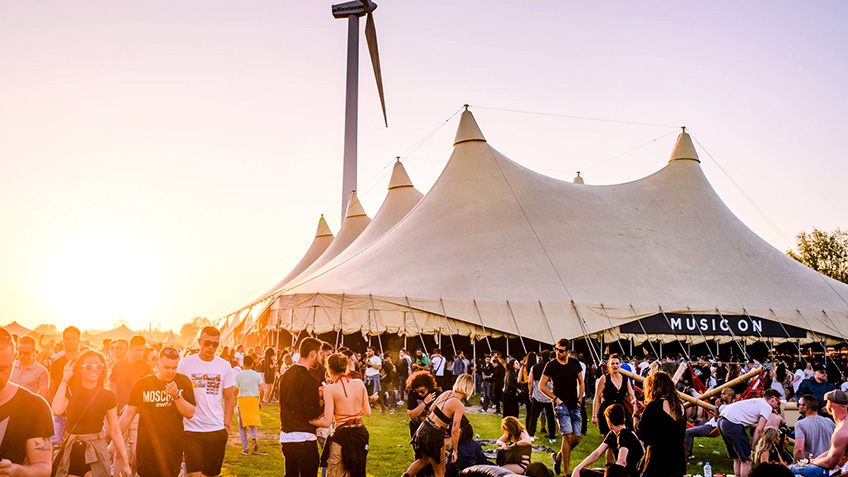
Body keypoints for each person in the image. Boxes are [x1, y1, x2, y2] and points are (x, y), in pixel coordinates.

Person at [118, 346, 196, 477]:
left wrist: (176, 396)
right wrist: (114, 440)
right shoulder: (143, 384)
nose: (171, 371)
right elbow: (128, 415)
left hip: (172, 446)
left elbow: (190, 413)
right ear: (157, 364)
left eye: (174, 367)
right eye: (166, 367)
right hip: (147, 447)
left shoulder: (183, 381)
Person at [51, 350, 131, 477]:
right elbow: (56, 410)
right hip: (73, 450)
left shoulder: (107, 395)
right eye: (89, 366)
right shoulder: (71, 391)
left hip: (96, 449)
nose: (94, 369)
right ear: (80, 369)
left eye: (98, 366)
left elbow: (115, 430)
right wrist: (65, 379)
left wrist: (126, 463)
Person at [178, 326, 236, 477]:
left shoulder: (224, 366)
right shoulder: (185, 364)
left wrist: (227, 425)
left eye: (215, 344)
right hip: (191, 429)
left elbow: (229, 397)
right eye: (207, 343)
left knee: (209, 475)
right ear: (199, 341)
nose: (211, 347)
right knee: (194, 475)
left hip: (215, 429)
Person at [0, 326, 53, 476]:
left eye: (2, 369)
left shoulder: (36, 407)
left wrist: (15, 470)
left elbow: (43, 468)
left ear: (14, 358)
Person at [310, 353, 372, 477]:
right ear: (345, 367)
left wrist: (309, 421)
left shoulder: (330, 389)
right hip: (360, 433)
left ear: (329, 370)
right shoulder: (359, 383)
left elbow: (326, 421)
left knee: (335, 472)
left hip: (342, 435)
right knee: (357, 473)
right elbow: (368, 412)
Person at [404, 374, 474, 477]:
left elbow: (432, 408)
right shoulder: (459, 405)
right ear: (469, 388)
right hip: (435, 434)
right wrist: (455, 450)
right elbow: (455, 431)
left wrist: (443, 414)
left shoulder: (447, 393)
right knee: (440, 472)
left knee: (423, 460)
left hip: (423, 427)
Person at [278, 337, 325, 477]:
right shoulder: (309, 380)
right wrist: (325, 402)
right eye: (320, 353)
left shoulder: (285, 375)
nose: (321, 358)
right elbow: (311, 413)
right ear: (313, 354)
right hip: (304, 438)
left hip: (286, 438)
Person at [108, 334, 154, 477]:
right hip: (118, 413)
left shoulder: (146, 367)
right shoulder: (118, 366)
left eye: (142, 350)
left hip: (138, 414)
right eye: (137, 350)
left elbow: (149, 392)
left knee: (136, 452)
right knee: (118, 451)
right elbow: (111, 387)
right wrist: (112, 408)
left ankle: (132, 474)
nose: (140, 353)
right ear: (130, 348)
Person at [539, 338, 584, 476]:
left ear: (567, 351)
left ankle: (558, 457)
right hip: (560, 405)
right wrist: (555, 399)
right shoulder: (551, 365)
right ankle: (567, 473)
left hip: (574, 403)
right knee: (567, 436)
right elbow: (542, 386)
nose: (558, 352)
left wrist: (580, 399)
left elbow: (581, 382)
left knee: (577, 438)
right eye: (556, 350)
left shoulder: (575, 363)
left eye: (561, 351)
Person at [717, 388, 782, 477]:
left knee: (737, 458)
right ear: (773, 399)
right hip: (733, 423)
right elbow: (759, 429)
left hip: (722, 421)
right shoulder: (767, 407)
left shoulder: (757, 401)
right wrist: (751, 448)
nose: (777, 406)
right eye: (778, 403)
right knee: (747, 459)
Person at [633, 371, 685, 477]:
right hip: (677, 461)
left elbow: (641, 433)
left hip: (657, 461)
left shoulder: (654, 406)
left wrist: (636, 415)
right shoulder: (680, 407)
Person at [572, 404, 644, 477]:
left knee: (584, 473)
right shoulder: (613, 434)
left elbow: (622, 462)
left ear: (609, 422)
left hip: (630, 475)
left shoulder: (624, 436)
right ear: (624, 419)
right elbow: (597, 453)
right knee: (589, 471)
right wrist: (578, 468)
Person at [789, 389, 848, 477]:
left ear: (830, 404)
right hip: (839, 467)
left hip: (836, 470)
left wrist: (812, 462)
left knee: (790, 469)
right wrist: (813, 461)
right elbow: (832, 451)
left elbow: (830, 463)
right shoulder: (834, 423)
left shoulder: (841, 431)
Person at [49, 326, 81, 446]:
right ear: (63, 341)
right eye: (67, 338)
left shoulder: (84, 362)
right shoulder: (56, 363)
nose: (70, 341)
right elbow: (52, 388)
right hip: (59, 413)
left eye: (73, 338)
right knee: (53, 444)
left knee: (76, 447)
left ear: (78, 341)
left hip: (80, 413)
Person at [685, 387, 735, 459]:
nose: (721, 395)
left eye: (724, 394)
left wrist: (717, 407)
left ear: (730, 396)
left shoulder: (731, 407)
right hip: (708, 424)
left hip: (712, 427)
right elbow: (715, 417)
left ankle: (688, 455)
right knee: (684, 426)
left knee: (688, 432)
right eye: (721, 393)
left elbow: (717, 419)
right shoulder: (723, 406)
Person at [592, 354, 634, 438]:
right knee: (609, 438)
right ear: (609, 365)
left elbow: (631, 396)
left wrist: (637, 409)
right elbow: (597, 397)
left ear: (620, 364)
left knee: (624, 436)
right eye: (613, 363)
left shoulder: (625, 379)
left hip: (621, 411)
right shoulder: (604, 378)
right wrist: (595, 415)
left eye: (617, 363)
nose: (615, 366)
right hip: (607, 411)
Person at [234, 355, 264, 455]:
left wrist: (235, 396)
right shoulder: (257, 375)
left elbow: (234, 389)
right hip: (253, 400)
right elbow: (262, 389)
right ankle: (253, 437)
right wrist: (260, 401)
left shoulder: (238, 376)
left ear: (243, 364)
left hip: (243, 400)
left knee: (242, 426)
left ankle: (245, 447)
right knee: (253, 421)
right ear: (252, 364)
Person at [794, 394, 837, 462]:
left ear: (805, 407)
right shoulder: (829, 421)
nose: (798, 406)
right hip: (829, 462)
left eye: (799, 404)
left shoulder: (800, 424)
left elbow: (799, 449)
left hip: (812, 463)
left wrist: (797, 463)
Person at [527, 350, 555, 443]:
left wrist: (530, 392)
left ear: (541, 357)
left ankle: (531, 434)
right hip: (549, 396)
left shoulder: (534, 367)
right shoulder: (552, 367)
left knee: (534, 416)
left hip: (537, 395)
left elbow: (530, 381)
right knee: (550, 417)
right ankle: (552, 437)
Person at [11, 334, 49, 399]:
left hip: (28, 405)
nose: (22, 356)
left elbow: (43, 397)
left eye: (26, 353)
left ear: (33, 352)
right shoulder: (11, 365)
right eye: (20, 352)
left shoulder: (41, 371)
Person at [406, 370, 439, 439]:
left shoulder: (435, 393)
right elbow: (411, 414)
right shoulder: (412, 393)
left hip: (432, 428)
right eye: (417, 391)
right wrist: (424, 402)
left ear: (428, 387)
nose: (419, 394)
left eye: (422, 391)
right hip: (416, 426)